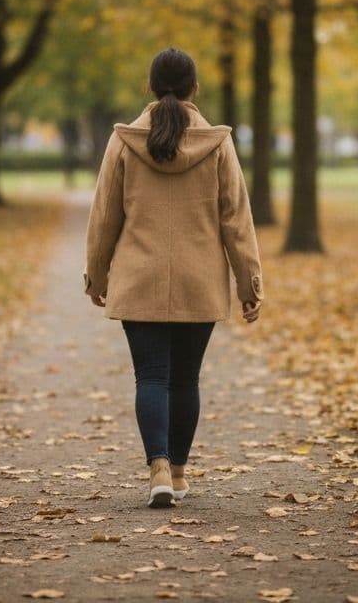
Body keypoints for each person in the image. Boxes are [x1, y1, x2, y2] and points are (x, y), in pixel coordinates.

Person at [83, 46, 264, 509]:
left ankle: (157, 467)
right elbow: (235, 221)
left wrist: (97, 275)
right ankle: (178, 473)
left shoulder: (124, 141)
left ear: (149, 86)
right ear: (194, 88)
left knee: (151, 376)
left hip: (138, 277)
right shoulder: (218, 144)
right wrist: (249, 285)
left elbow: (105, 215)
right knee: (185, 380)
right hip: (198, 280)